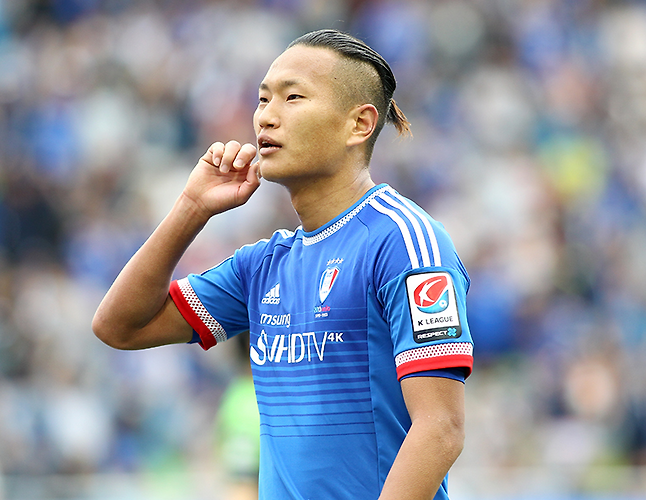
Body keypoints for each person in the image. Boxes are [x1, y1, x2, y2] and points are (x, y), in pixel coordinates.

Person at [93, 29, 473, 500]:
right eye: (262, 99)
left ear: (359, 124)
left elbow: (441, 428)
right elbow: (120, 327)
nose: (266, 116)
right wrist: (192, 208)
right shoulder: (262, 266)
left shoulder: (405, 242)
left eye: (293, 98)